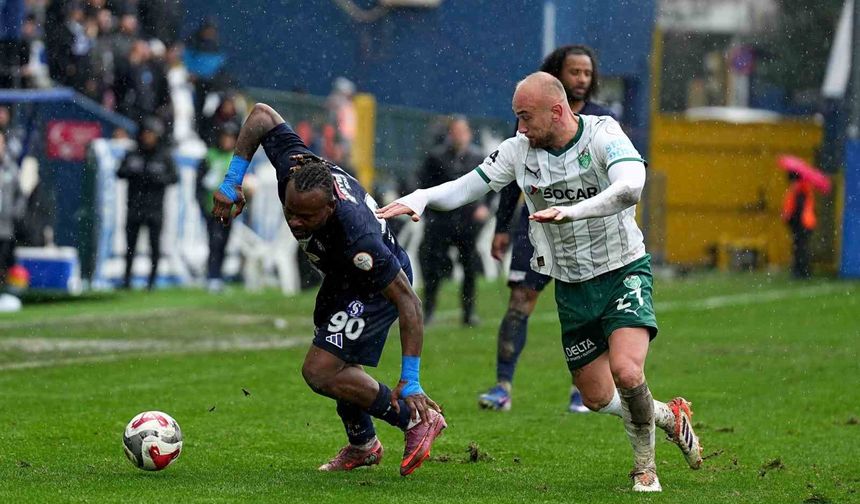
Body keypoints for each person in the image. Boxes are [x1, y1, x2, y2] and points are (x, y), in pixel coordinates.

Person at [377, 72, 703, 492]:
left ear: (557, 110)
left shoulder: (603, 134)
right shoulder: (518, 150)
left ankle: (645, 468)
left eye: (526, 117)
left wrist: (574, 211)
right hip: (570, 282)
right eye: (517, 117)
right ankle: (669, 417)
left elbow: (630, 188)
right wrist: (421, 197)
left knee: (626, 371)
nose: (521, 126)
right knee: (596, 397)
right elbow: (466, 187)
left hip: (622, 269)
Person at [211, 103, 446, 476]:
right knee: (339, 362)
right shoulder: (294, 166)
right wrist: (232, 180)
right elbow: (261, 116)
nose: (295, 222)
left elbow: (409, 302)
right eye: (291, 211)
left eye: (307, 216)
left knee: (320, 370)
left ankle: (415, 419)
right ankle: (363, 445)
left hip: (375, 286)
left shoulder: (359, 236)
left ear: (332, 206)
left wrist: (411, 379)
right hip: (341, 278)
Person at [480, 44, 616, 413]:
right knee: (519, 302)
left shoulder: (603, 120)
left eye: (587, 73)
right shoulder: (532, 121)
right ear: (557, 74)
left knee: (587, 310)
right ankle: (502, 386)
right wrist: (502, 227)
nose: (582, 79)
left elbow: (621, 177)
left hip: (586, 232)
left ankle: (582, 392)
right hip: (537, 227)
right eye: (575, 72)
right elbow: (511, 175)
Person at [418, 116, 488, 326]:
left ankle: (468, 313)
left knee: (469, 268)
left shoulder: (478, 157)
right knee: (433, 267)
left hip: (467, 222)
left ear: (469, 134)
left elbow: (492, 184)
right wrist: (430, 214)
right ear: (450, 134)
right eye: (456, 132)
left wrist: (484, 206)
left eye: (463, 131)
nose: (460, 136)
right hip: (441, 222)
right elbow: (423, 185)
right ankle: (428, 310)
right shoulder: (436, 157)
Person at [117, 117, 177, 290]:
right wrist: (133, 172)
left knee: (154, 245)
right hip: (135, 207)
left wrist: (157, 178)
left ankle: (151, 282)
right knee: (130, 245)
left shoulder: (163, 155)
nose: (148, 137)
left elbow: (174, 177)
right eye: (146, 133)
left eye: (151, 134)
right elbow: (120, 172)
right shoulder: (133, 153)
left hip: (154, 208)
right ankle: (127, 279)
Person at [196, 123, 239, 292]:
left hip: (230, 209)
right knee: (214, 241)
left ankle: (218, 275)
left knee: (224, 243)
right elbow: (200, 182)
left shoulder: (236, 158)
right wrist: (201, 203)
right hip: (211, 207)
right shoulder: (210, 156)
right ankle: (212, 275)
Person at [781, 171, 816, 279]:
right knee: (801, 247)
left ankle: (801, 271)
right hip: (805, 223)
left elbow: (798, 209)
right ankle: (802, 270)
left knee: (800, 247)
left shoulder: (799, 190)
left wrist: (790, 219)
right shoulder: (803, 188)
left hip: (802, 224)